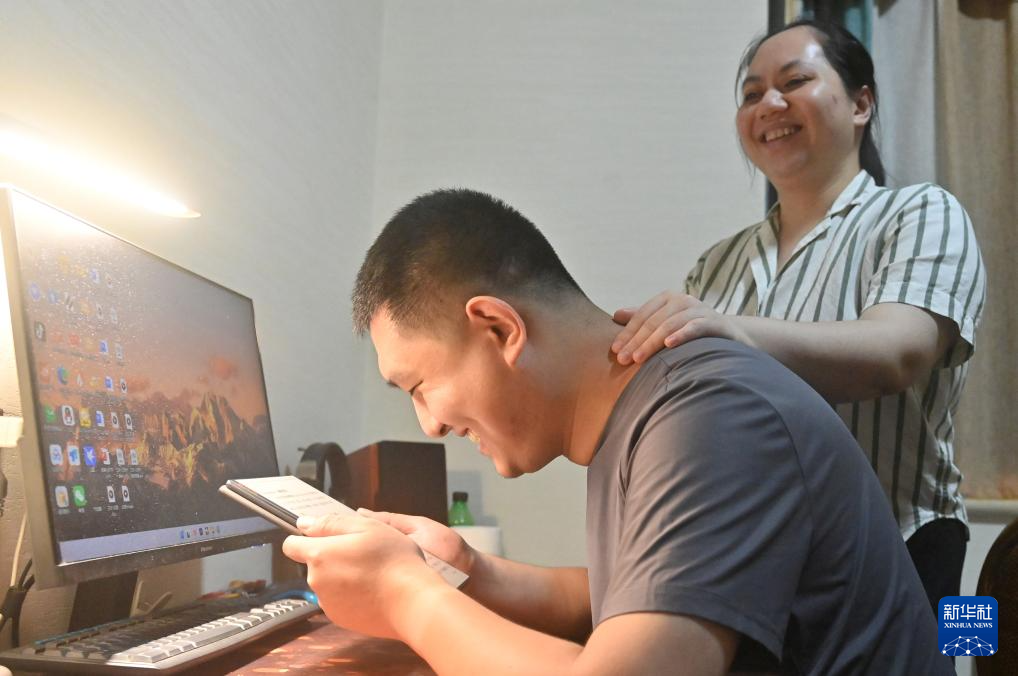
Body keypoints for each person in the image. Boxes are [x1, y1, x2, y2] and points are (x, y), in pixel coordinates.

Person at [282, 188, 951, 675]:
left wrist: (404, 593)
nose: (429, 423)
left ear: (499, 328)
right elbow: (623, 599)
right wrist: (466, 570)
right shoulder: (646, 411)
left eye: (419, 386)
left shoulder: (709, 414)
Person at [611, 19, 985, 613]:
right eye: (752, 93)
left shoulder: (921, 212)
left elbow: (896, 353)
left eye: (794, 82)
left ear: (861, 104)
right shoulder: (718, 263)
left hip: (909, 548)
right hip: (756, 559)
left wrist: (732, 332)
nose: (769, 104)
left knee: (960, 650)